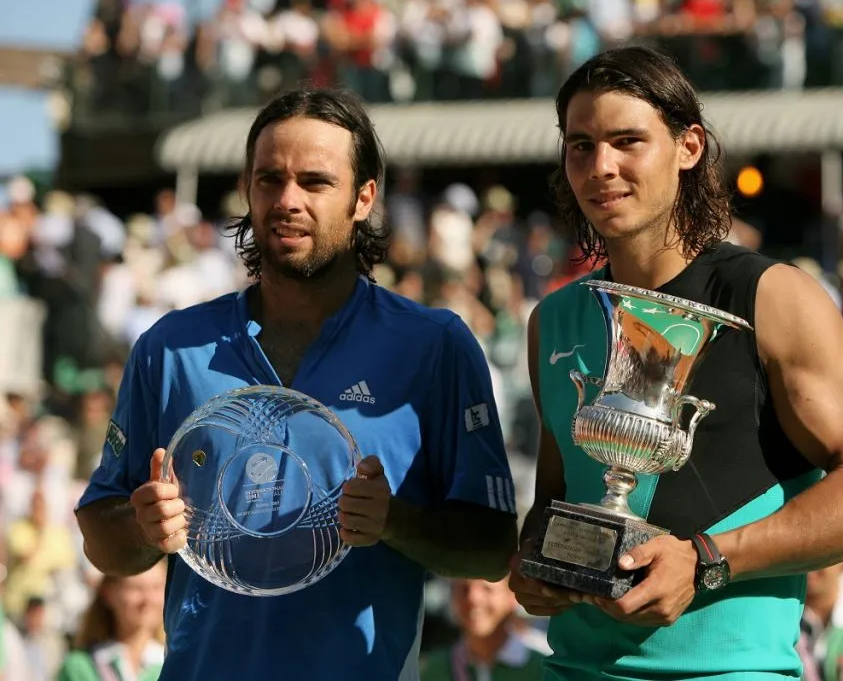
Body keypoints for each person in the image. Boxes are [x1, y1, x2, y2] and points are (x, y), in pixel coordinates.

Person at [75, 87, 520, 680]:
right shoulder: (171, 347)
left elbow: (492, 549)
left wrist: (394, 521)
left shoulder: (434, 346)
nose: (287, 200)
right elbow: (102, 540)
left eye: (315, 182)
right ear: (246, 188)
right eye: (269, 180)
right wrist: (140, 526)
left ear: (364, 198)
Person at [508, 45, 843, 680]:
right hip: (571, 669)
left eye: (627, 141)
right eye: (581, 145)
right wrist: (536, 555)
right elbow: (559, 496)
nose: (600, 167)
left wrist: (705, 559)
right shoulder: (554, 320)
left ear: (689, 147)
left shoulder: (775, 299)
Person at [420, 577, 548, 681]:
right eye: (464, 589)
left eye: (487, 589)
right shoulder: (438, 668)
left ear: (513, 596)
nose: (473, 598)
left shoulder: (542, 671)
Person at [55, 561, 166, 681]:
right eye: (136, 588)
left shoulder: (174, 664)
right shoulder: (79, 668)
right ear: (108, 593)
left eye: (157, 587)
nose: (148, 599)